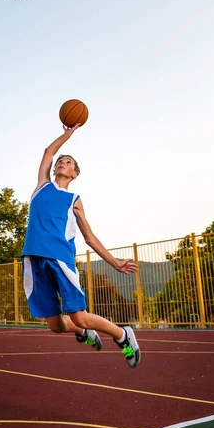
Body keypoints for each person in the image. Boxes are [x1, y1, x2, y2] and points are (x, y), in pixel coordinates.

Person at [21, 124, 141, 368]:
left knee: (79, 316)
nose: (63, 162)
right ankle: (85, 334)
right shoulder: (42, 187)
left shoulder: (74, 200)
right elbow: (47, 152)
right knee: (55, 326)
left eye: (68, 162)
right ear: (54, 169)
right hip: (33, 259)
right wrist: (67, 135)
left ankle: (122, 335)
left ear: (75, 174)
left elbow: (90, 237)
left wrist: (115, 262)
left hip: (60, 259)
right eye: (61, 161)